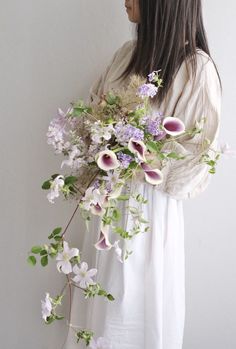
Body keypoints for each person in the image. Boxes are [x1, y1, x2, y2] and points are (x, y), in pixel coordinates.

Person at [64, 0, 222, 348]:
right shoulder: (125, 55)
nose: (126, 1)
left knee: (139, 314)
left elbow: (197, 162)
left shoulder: (196, 69)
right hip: (108, 213)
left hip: (150, 218)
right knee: (104, 313)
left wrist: (143, 158)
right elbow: (92, 114)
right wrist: (103, 141)